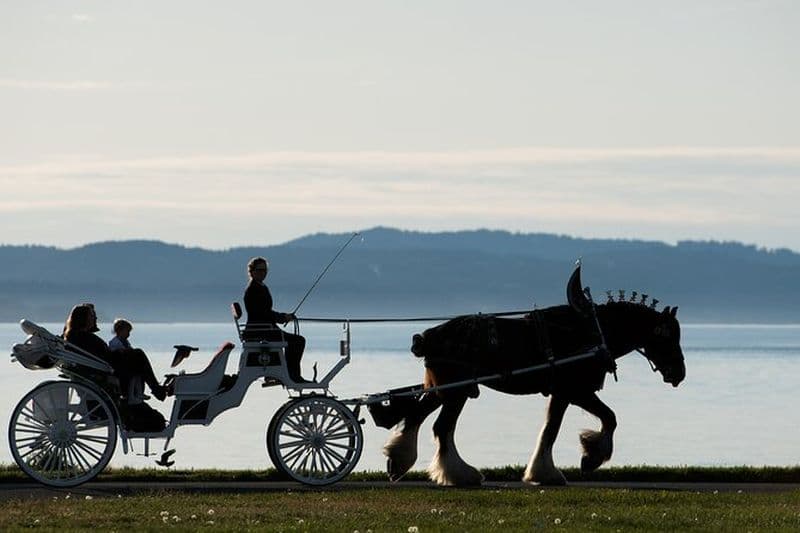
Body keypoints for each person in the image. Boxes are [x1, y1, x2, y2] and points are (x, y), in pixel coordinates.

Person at [63, 304, 166, 401]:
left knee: (137, 355)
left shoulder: (76, 336)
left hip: (107, 363)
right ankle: (156, 389)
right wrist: (119, 352)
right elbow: (104, 355)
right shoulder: (83, 337)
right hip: (109, 367)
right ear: (83, 318)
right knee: (138, 355)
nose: (95, 318)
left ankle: (155, 389)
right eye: (91, 315)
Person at [243, 256, 308, 382]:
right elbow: (263, 314)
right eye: (260, 270)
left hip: (266, 328)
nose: (263, 273)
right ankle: (292, 375)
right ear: (251, 271)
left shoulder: (260, 287)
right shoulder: (253, 290)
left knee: (295, 340)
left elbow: (265, 312)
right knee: (298, 341)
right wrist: (283, 317)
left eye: (265, 270)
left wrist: (283, 317)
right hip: (262, 330)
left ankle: (286, 373)